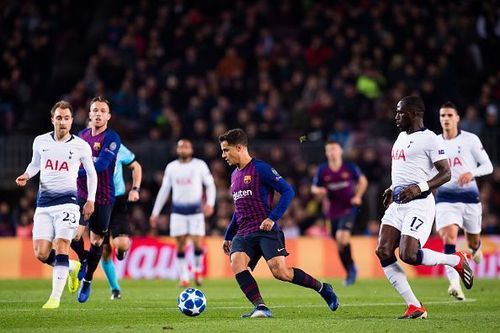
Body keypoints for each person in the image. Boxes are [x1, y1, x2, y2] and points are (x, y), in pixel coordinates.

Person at [219, 128, 339, 318]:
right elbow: (238, 210)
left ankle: (323, 288)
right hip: (244, 231)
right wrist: (228, 235)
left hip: (265, 229)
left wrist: (272, 218)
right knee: (236, 262)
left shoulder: (261, 169)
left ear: (239, 147)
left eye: (226, 150)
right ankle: (261, 307)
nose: (223, 155)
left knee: (280, 272)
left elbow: (288, 191)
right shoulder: (234, 176)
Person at [375, 96, 474, 319]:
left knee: (409, 255)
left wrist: (418, 188)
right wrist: (392, 188)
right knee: (383, 251)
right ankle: (415, 306)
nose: (396, 116)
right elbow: (405, 170)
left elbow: (446, 173)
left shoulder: (430, 139)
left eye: (400, 112)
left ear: (414, 113)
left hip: (419, 204)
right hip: (398, 204)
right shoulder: (400, 137)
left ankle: (455, 260)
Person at [15, 100, 97, 309]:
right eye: (59, 117)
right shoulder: (40, 141)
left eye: (67, 118)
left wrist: (90, 200)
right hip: (44, 205)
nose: (63, 122)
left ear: (71, 121)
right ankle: (71, 266)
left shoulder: (81, 145)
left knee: (62, 244)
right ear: (52, 119)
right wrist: (26, 175)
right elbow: (35, 165)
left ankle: (54, 298)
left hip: (68, 204)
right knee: (42, 253)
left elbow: (91, 174)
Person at [435, 101, 493, 301]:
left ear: (457, 118)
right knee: (449, 237)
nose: (446, 119)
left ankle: (476, 248)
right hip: (445, 199)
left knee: (472, 240)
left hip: (470, 198)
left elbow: (488, 166)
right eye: (443, 115)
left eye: (450, 115)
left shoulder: (470, 140)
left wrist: (472, 172)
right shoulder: (434, 142)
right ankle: (454, 284)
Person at [72, 96, 121, 303]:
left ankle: (88, 280)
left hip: (102, 198)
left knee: (97, 241)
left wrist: (75, 173)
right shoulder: (81, 136)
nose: (98, 113)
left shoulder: (112, 139)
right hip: (81, 194)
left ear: (108, 116)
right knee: (73, 236)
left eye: (102, 110)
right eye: (95, 110)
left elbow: (100, 166)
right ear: (89, 114)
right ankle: (83, 258)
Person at [150, 139, 216, 287]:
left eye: (186, 147)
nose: (183, 149)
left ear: (191, 150)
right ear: (177, 150)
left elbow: (210, 185)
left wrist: (210, 203)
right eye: (181, 147)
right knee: (180, 245)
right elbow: (164, 190)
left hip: (196, 212)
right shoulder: (171, 167)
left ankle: (198, 271)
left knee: (198, 244)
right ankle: (184, 277)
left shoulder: (199, 165)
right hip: (178, 213)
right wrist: (155, 213)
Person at [311, 140, 368, 285]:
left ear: (340, 151)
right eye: (329, 150)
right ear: (326, 153)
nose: (332, 152)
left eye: (334, 149)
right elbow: (314, 188)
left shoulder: (349, 167)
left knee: (342, 237)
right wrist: (320, 190)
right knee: (340, 244)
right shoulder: (323, 170)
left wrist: (358, 196)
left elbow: (363, 181)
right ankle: (350, 270)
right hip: (332, 212)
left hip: (348, 208)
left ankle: (351, 270)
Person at [101, 144, 142, 300]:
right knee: (104, 250)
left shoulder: (115, 146)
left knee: (123, 244)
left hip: (117, 201)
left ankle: (120, 251)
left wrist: (135, 189)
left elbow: (135, 166)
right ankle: (115, 289)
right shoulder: (83, 146)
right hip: (97, 201)